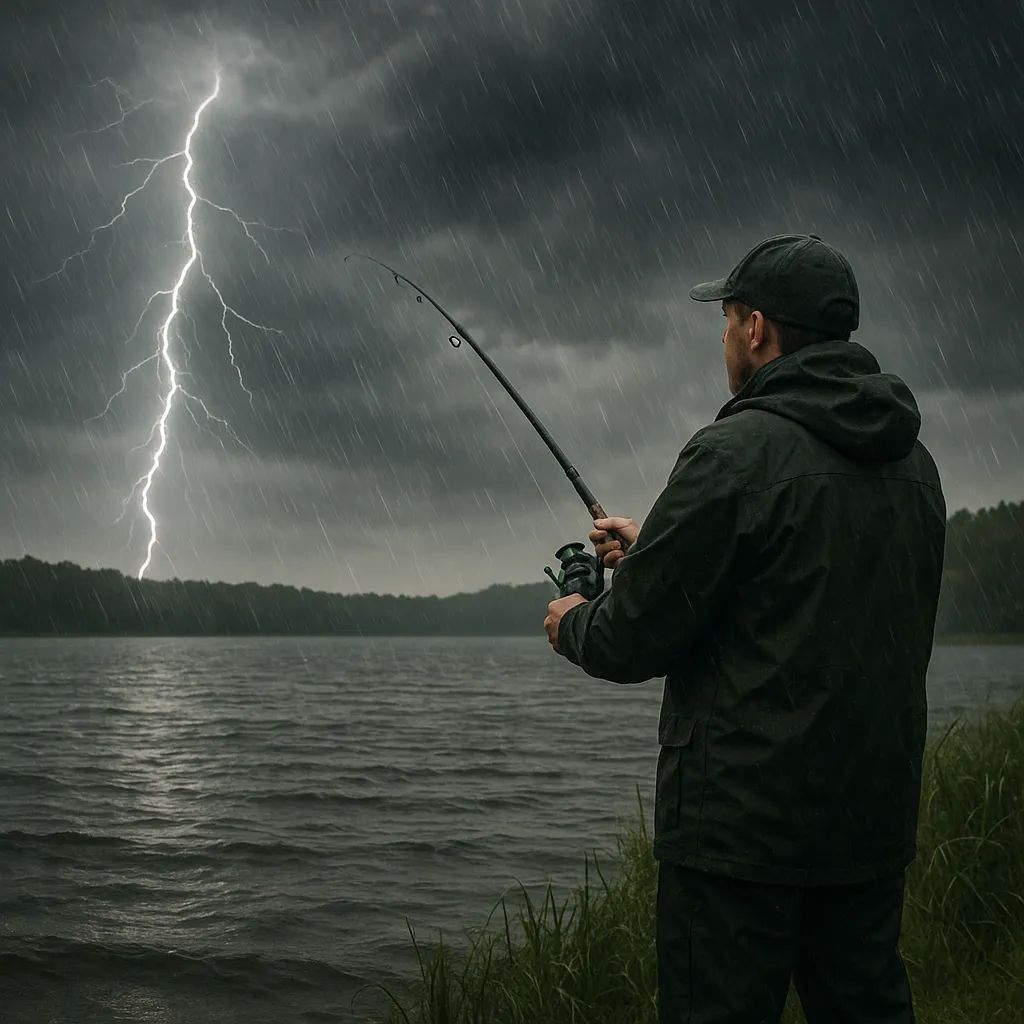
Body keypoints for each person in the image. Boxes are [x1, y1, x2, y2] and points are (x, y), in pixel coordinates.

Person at [542, 234, 947, 1024]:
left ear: (756, 328)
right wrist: (656, 549)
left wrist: (573, 621)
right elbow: (807, 583)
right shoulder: (915, 466)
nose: (723, 338)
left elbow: (631, 639)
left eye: (726, 320)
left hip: (739, 841)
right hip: (868, 822)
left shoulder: (730, 455)